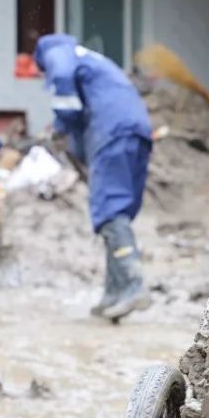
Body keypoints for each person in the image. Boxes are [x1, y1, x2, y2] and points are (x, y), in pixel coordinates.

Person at [34, 34, 153, 321]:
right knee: (117, 213)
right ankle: (113, 294)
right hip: (136, 130)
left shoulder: (57, 51)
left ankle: (134, 285)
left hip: (110, 133)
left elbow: (62, 80)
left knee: (109, 209)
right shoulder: (94, 65)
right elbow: (79, 121)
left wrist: (59, 126)